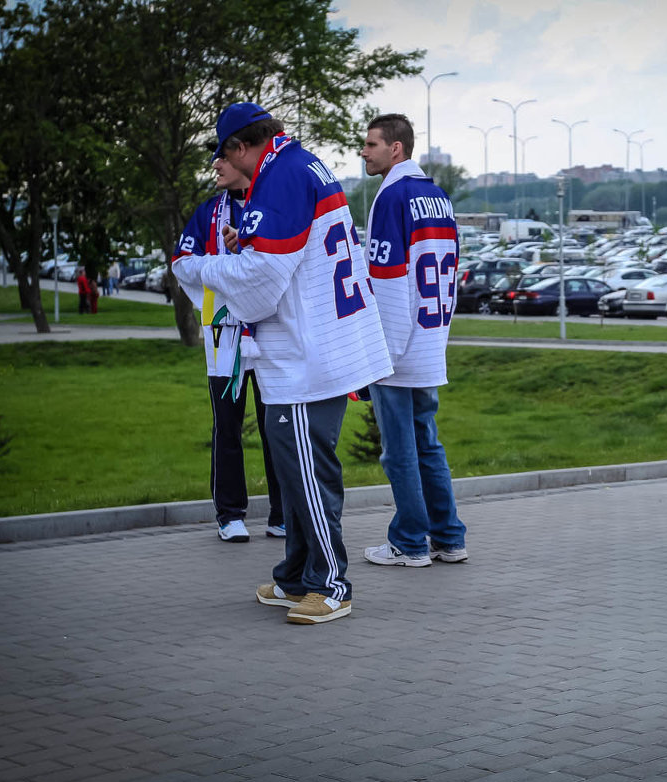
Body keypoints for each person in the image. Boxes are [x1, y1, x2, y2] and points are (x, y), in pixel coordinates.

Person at [172, 102, 393, 625]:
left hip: (308, 354)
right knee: (294, 471)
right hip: (312, 346)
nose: (218, 165)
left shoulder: (281, 175)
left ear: (242, 146)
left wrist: (198, 267)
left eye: (222, 153)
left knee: (309, 472)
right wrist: (238, 251)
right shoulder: (295, 166)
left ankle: (331, 584)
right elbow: (283, 261)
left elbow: (263, 282)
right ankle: (297, 575)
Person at [358, 113, 468, 568]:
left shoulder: (391, 197)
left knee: (399, 448)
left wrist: (378, 354)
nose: (364, 151)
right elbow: (453, 271)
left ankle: (409, 542)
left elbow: (386, 282)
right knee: (427, 443)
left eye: (371, 144)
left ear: (395, 149)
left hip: (398, 347)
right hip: (429, 338)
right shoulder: (437, 196)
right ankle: (448, 536)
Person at [172, 144, 285, 544]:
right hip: (225, 337)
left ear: (242, 161)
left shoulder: (272, 206)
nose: (216, 165)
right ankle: (230, 513)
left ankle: (282, 512)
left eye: (222, 158)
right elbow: (182, 263)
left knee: (278, 426)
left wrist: (247, 255)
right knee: (228, 426)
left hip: (272, 333)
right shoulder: (208, 213)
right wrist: (226, 267)